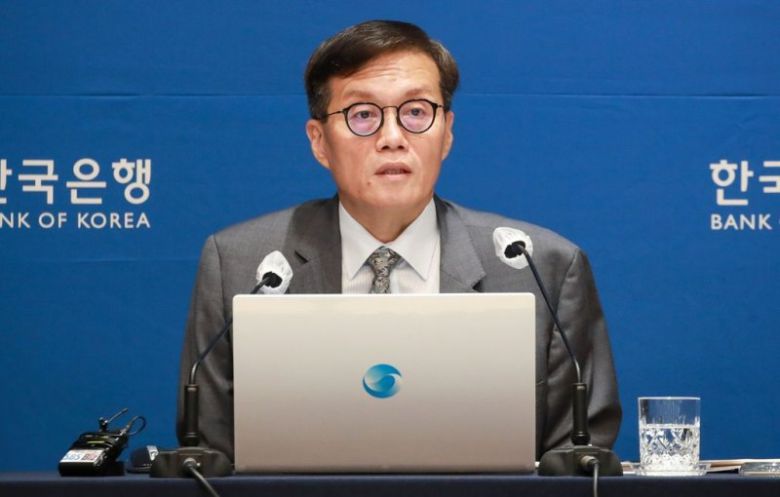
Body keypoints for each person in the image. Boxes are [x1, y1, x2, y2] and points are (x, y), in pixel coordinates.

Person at [178, 20, 621, 461]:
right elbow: (210, 459)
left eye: (416, 112)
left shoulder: (542, 268)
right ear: (319, 142)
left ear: (447, 132)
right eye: (363, 115)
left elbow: (579, 460)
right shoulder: (240, 265)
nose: (392, 139)